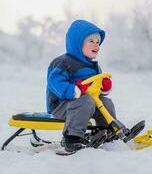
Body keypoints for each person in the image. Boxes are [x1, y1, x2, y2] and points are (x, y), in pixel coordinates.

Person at [46, 19, 116, 152]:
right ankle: (72, 137)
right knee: (85, 100)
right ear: (78, 43)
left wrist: (104, 87)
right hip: (62, 105)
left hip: (85, 104)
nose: (96, 45)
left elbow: (96, 90)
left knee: (106, 102)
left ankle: (105, 131)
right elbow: (54, 81)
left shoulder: (94, 66)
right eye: (91, 41)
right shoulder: (64, 62)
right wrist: (74, 90)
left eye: (98, 42)